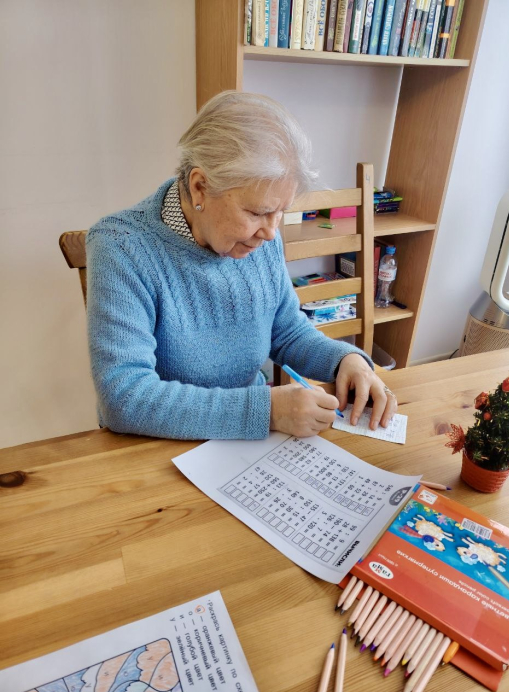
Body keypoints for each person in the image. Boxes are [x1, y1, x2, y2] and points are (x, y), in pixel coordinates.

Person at [86, 91, 397, 441]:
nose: (271, 232)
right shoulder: (121, 248)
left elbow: (287, 331)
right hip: (154, 446)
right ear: (200, 188)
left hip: (245, 443)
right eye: (257, 212)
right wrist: (268, 411)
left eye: (281, 212)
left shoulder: (259, 238)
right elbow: (124, 397)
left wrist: (344, 361)